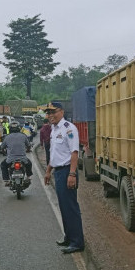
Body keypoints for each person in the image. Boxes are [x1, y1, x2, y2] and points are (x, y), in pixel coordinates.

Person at [43, 102, 84, 254]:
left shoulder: (69, 128)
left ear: (61, 112)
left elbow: (74, 152)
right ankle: (69, 237)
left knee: (71, 207)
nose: (50, 115)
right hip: (58, 172)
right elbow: (54, 154)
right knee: (64, 207)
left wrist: (72, 174)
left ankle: (77, 242)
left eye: (53, 112)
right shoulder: (54, 129)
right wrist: (48, 171)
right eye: (48, 113)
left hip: (67, 171)